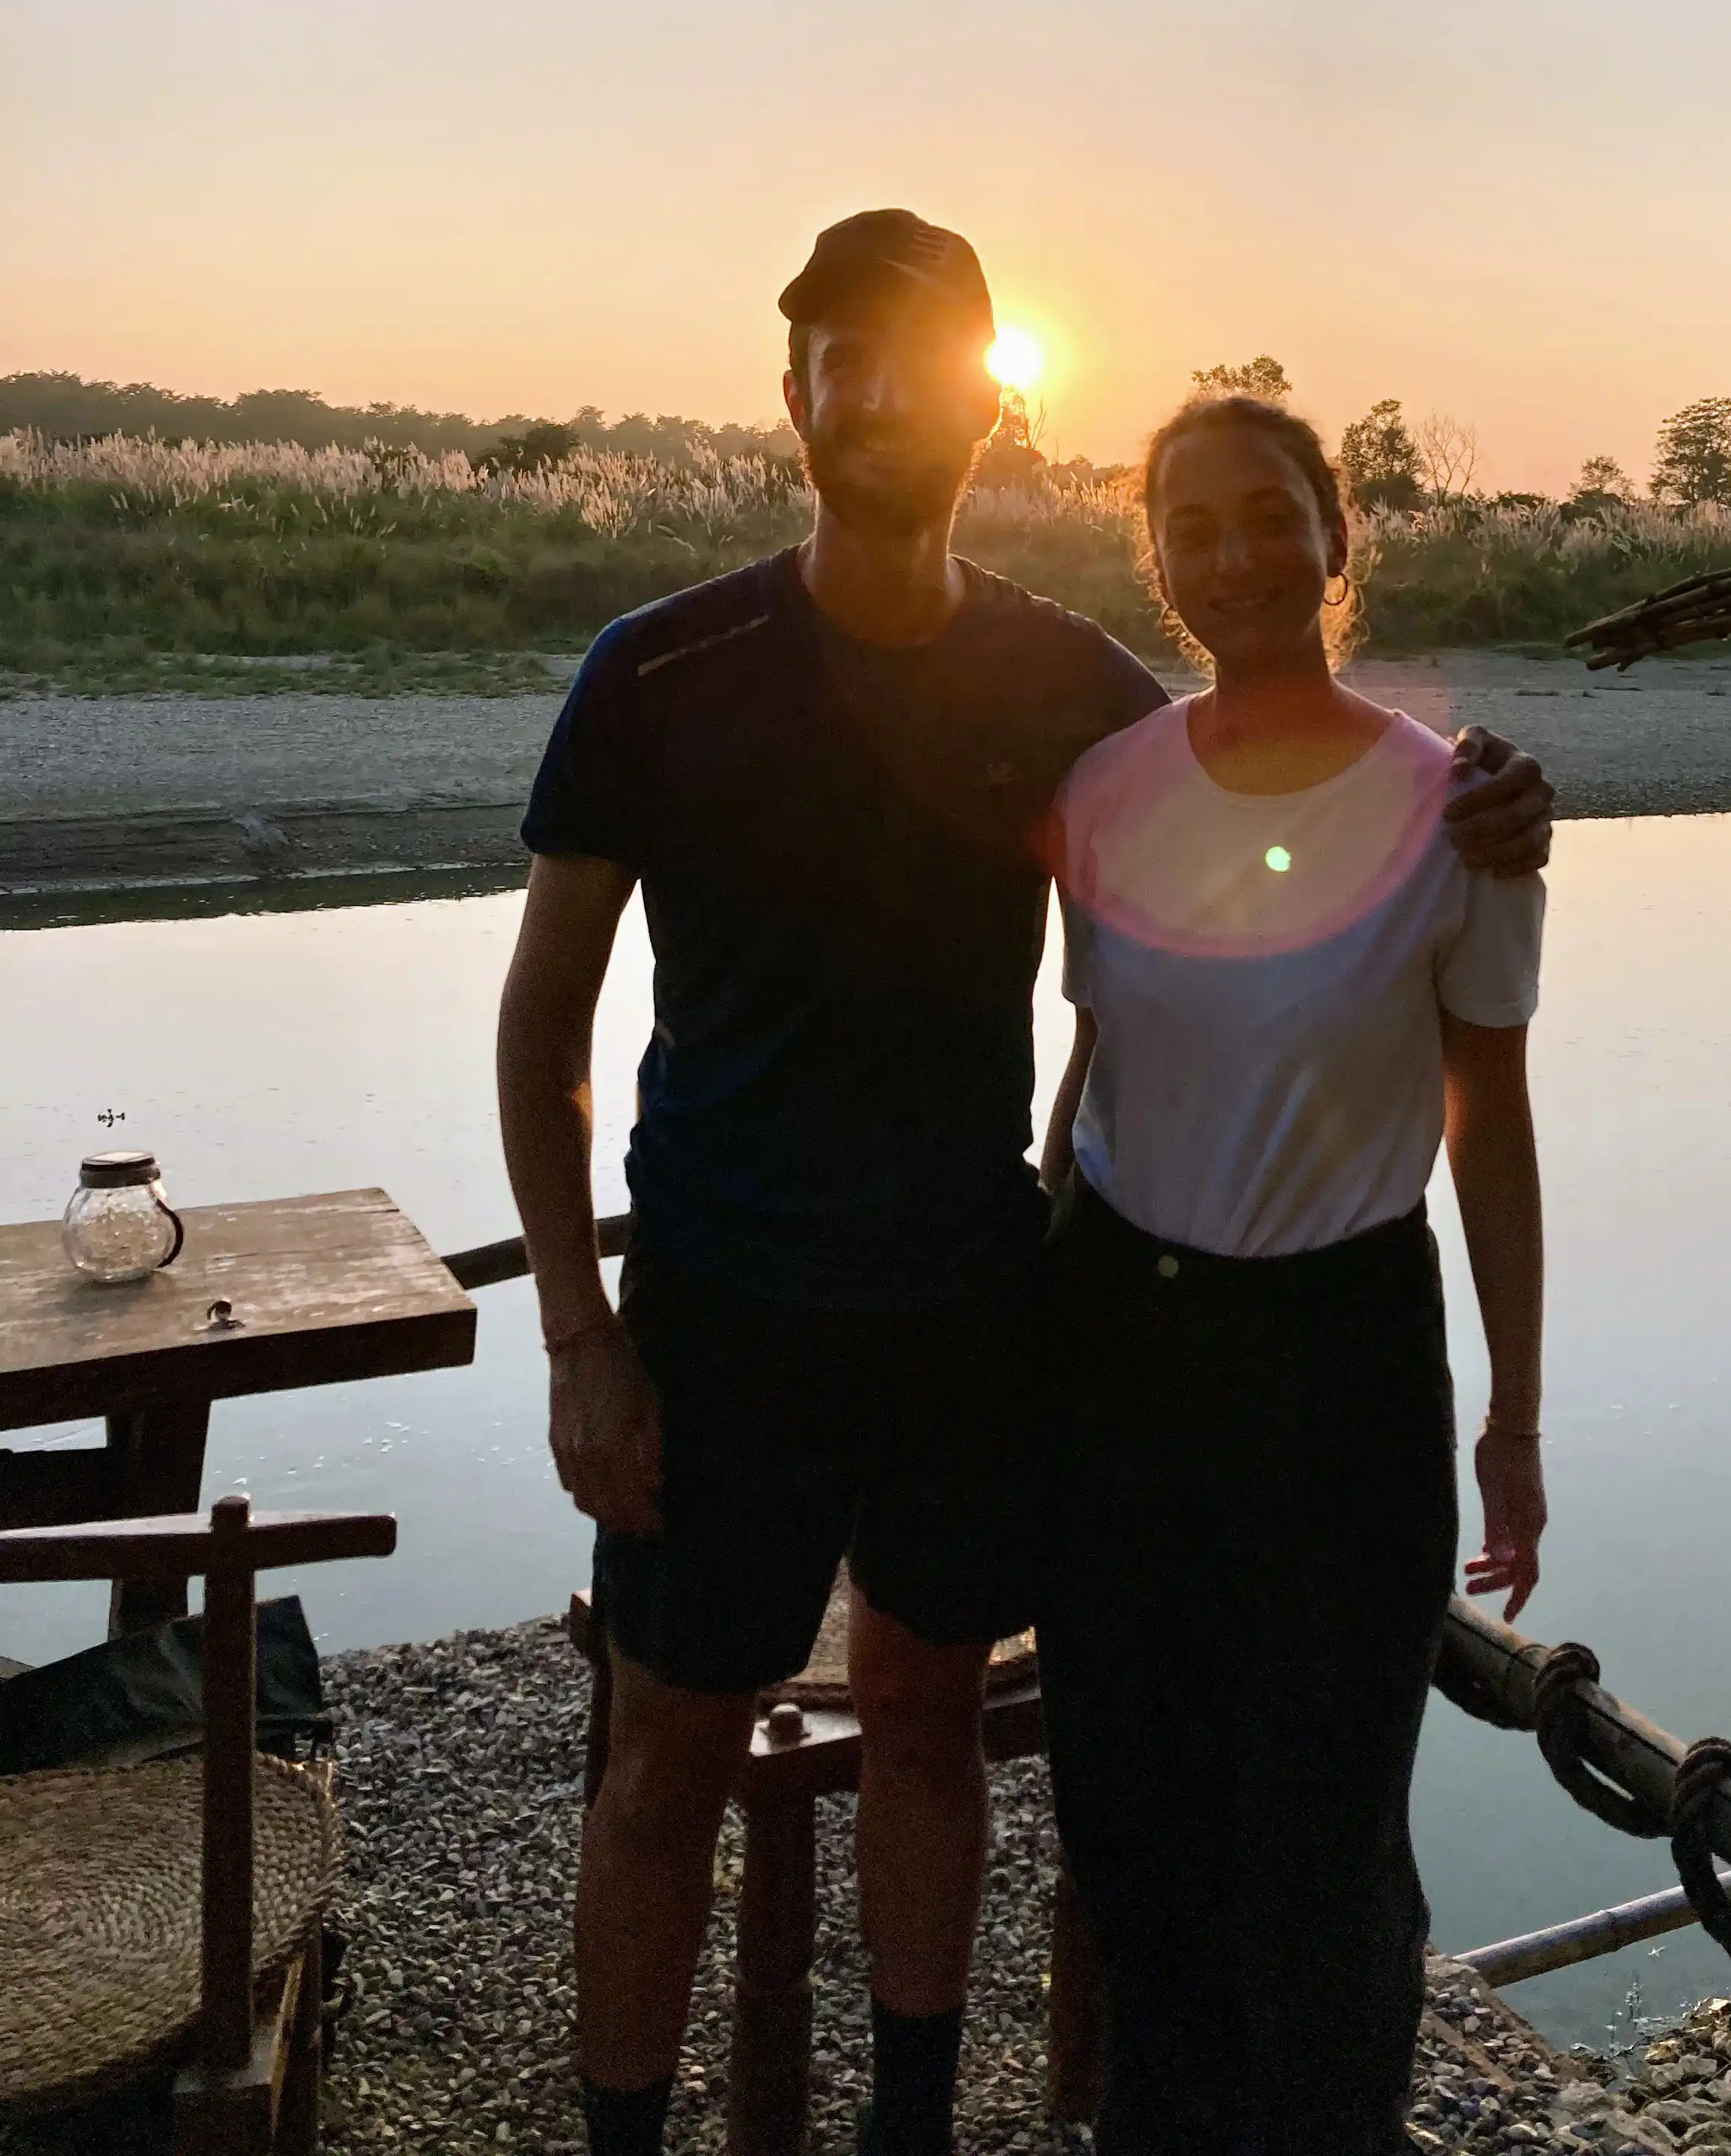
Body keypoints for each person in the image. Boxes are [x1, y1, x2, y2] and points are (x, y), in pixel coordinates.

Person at [495, 212, 1555, 2156]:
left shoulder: (1070, 689)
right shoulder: (659, 672)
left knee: (927, 1722)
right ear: (795, 393)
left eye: (931, 367)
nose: (888, 402)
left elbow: (1281, 795)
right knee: (660, 1766)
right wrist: (578, 1333)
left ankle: (915, 2130)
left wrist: (1489, 790)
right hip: (716, 1314)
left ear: (990, 408)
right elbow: (540, 1030)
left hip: (975, 1312)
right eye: (848, 363)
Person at [1037, 389, 1549, 2156]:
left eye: (1273, 512)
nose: (1239, 553)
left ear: (1338, 530)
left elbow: (1493, 1119)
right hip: (1125, 1350)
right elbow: (1095, 1080)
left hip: (1346, 1356)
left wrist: (1516, 1419)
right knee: (1131, 1825)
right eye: (1196, 524)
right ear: (1157, 562)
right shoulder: (1105, 793)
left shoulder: (1461, 814)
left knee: (1327, 1852)